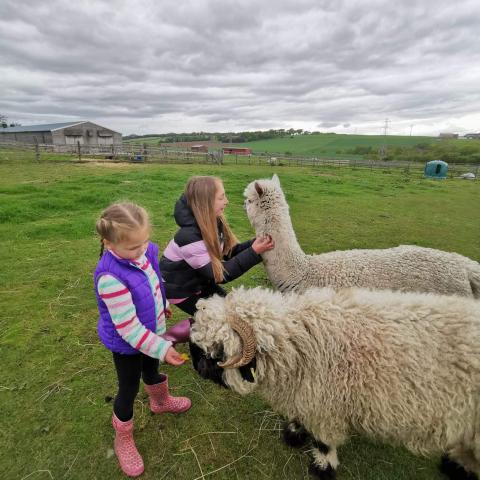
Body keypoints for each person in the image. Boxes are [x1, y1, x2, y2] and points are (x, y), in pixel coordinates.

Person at [94, 202, 191, 477]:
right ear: (109, 243)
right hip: (127, 344)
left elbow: (153, 280)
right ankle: (123, 437)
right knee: (128, 389)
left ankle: (159, 402)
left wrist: (161, 304)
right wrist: (163, 348)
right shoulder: (110, 279)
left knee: (151, 370)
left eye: (144, 242)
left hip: (152, 331)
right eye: (132, 248)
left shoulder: (146, 251)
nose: (141, 251)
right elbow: (129, 330)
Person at [160, 175, 274, 318]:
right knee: (214, 320)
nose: (227, 201)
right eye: (221, 197)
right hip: (180, 289)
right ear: (205, 203)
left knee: (231, 310)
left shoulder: (213, 222)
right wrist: (254, 252)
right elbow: (220, 274)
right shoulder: (189, 239)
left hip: (200, 281)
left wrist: (255, 243)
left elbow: (229, 252)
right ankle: (196, 337)